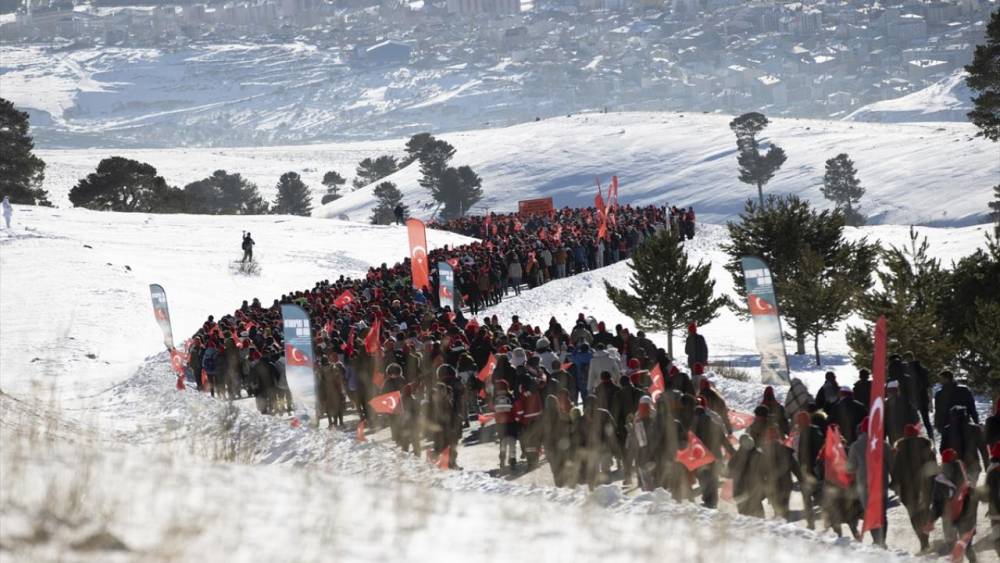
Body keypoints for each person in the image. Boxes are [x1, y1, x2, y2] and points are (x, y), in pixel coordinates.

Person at [891, 423, 937, 552]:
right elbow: (933, 468)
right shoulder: (927, 448)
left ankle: (923, 542)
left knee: (914, 516)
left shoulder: (900, 451)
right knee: (925, 513)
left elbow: (896, 472)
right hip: (926, 487)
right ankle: (926, 540)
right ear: (917, 434)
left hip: (907, 490)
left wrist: (895, 485)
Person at [931, 449, 979, 562]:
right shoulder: (965, 477)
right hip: (967, 518)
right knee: (967, 546)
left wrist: (931, 519)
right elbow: (974, 499)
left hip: (949, 517)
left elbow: (937, 503)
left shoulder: (940, 479)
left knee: (953, 546)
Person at [934, 370, 979, 436]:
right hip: (964, 423)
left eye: (941, 379)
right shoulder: (964, 390)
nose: (939, 381)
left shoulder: (940, 394)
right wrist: (976, 422)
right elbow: (972, 407)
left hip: (947, 424)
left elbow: (938, 411)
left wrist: (937, 425)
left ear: (947, 379)